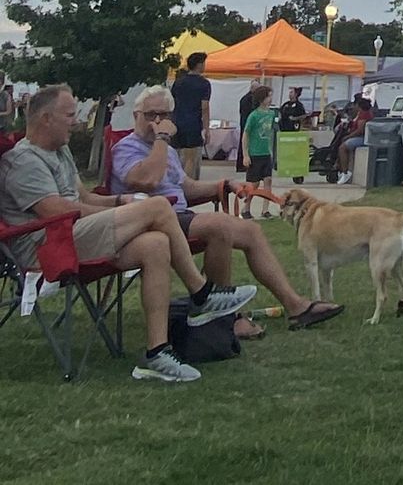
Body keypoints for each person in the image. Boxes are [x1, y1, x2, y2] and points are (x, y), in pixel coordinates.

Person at [0, 84, 258, 382]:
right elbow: (55, 211)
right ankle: (202, 293)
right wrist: (126, 214)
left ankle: (156, 353)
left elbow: (82, 198)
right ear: (45, 119)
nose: (76, 120)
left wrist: (122, 202)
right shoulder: (22, 161)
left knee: (155, 243)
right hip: (45, 247)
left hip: (71, 234)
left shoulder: (59, 151)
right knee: (159, 207)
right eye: (69, 114)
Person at [111, 85, 343, 335]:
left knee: (250, 230)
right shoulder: (126, 148)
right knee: (219, 225)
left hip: (177, 217)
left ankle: (295, 305)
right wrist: (162, 139)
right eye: (150, 115)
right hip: (147, 222)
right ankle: (224, 318)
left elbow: (185, 188)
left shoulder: (165, 150)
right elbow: (148, 180)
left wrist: (224, 184)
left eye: (164, 115)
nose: (158, 121)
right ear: (136, 116)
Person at [171, 52, 211, 181]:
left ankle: (175, 183)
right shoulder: (204, 84)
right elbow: (204, 107)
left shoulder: (178, 83)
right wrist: (207, 129)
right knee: (191, 159)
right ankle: (188, 186)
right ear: (199, 65)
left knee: (176, 157)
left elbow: (172, 103)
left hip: (177, 123)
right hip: (193, 124)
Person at [241, 85, 275, 218]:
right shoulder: (253, 116)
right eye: (269, 96)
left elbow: (271, 131)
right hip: (255, 153)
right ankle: (246, 208)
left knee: (268, 180)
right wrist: (245, 154)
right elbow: (246, 134)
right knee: (253, 184)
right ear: (262, 98)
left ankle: (265, 209)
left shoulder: (271, 114)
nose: (271, 99)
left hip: (266, 153)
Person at [336, 97, 374, 185]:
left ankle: (345, 173)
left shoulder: (364, 115)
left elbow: (359, 131)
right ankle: (340, 167)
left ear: (359, 106)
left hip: (363, 139)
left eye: (355, 105)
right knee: (340, 143)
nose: (354, 107)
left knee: (342, 147)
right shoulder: (360, 114)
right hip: (360, 137)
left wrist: (348, 136)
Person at [237, 79, 261, 173]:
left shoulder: (243, 98)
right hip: (249, 125)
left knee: (242, 144)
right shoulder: (251, 99)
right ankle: (245, 165)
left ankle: (241, 165)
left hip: (244, 123)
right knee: (247, 145)